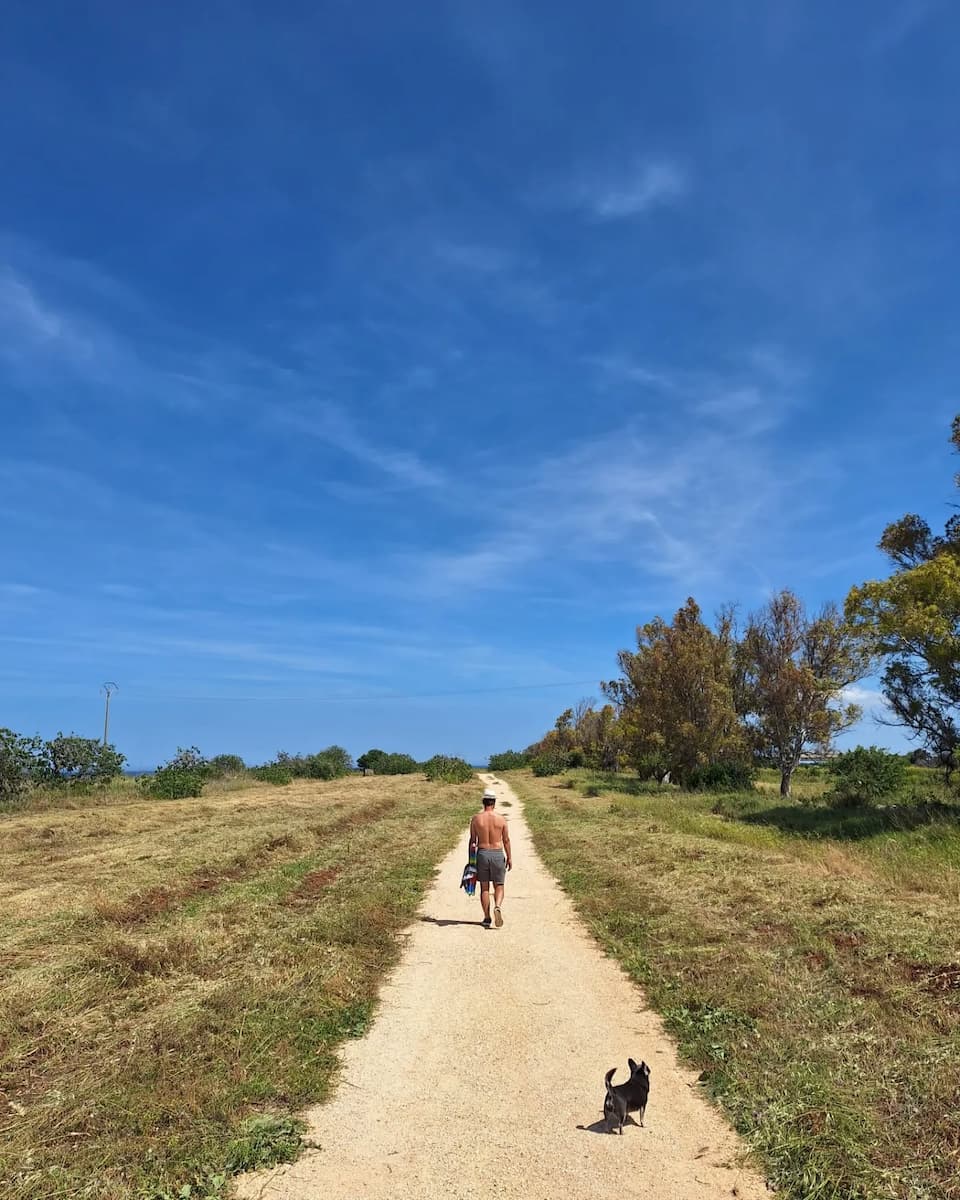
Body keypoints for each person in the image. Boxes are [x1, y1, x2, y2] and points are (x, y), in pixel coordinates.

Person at [469, 788, 512, 928]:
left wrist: (471, 861)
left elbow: (473, 841)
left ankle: (487, 918)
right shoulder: (501, 819)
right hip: (497, 853)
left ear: (483, 802)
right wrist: (509, 857)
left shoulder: (476, 819)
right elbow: (506, 840)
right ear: (494, 802)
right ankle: (497, 906)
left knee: (484, 887)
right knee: (499, 884)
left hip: (482, 853)